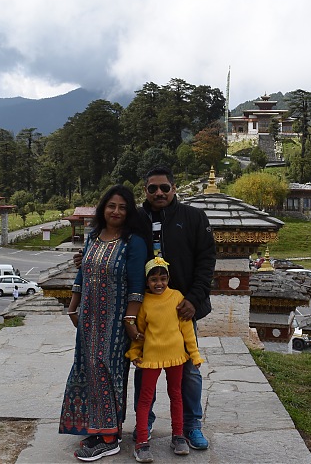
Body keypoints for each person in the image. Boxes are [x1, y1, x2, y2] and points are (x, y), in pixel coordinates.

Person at [59, 185, 147, 461]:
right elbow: (82, 274)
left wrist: (130, 321)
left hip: (115, 321)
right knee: (86, 368)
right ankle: (96, 428)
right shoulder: (93, 237)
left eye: (122, 207)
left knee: (107, 371)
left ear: (128, 211)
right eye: (111, 206)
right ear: (103, 208)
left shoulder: (133, 242)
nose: (116, 211)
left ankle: (109, 436)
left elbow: (136, 286)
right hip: (88, 318)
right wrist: (73, 309)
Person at [135, 166, 216, 450]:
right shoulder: (135, 219)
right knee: (144, 369)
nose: (159, 193)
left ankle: (192, 426)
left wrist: (194, 299)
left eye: (164, 188)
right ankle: (143, 424)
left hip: (182, 309)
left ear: (174, 188)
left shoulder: (193, 218)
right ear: (144, 190)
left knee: (189, 371)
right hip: (145, 309)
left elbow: (206, 260)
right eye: (152, 188)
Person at [126, 257, 203, 463]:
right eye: (153, 279)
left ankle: (178, 436)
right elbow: (139, 333)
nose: (158, 283)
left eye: (163, 278)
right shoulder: (144, 302)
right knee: (145, 399)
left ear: (169, 278)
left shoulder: (178, 297)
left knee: (176, 395)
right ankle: (142, 441)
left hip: (176, 357)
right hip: (151, 358)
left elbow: (187, 330)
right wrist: (135, 353)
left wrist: (194, 354)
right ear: (147, 281)